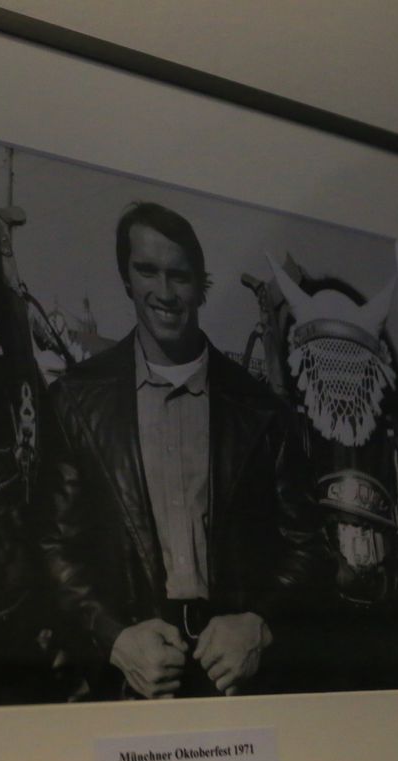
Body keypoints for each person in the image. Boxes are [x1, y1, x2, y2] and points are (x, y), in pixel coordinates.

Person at [36, 201, 329, 699]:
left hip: (234, 676)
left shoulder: (261, 409)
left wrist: (260, 624)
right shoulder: (75, 401)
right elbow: (53, 546)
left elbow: (308, 547)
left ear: (201, 285)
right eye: (147, 271)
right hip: (128, 678)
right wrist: (115, 638)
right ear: (126, 279)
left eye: (180, 275)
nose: (166, 293)